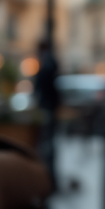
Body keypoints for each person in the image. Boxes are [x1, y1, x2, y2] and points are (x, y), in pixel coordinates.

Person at [34, 40, 60, 190]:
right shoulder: (50, 61)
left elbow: (44, 83)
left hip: (47, 106)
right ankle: (47, 177)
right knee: (48, 143)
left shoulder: (47, 62)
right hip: (49, 106)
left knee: (47, 143)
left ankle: (47, 178)